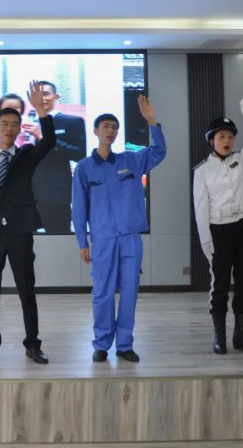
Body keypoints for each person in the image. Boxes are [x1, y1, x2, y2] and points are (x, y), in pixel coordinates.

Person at [71, 96, 166, 363]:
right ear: (95, 131)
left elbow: (159, 152)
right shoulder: (84, 168)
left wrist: (152, 122)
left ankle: (124, 345)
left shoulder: (131, 160)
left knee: (129, 292)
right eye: (105, 126)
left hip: (130, 238)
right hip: (103, 240)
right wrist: (82, 242)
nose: (110, 131)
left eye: (114, 127)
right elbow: (79, 208)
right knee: (102, 294)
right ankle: (101, 344)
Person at [0, 81, 56, 366]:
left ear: (20, 129)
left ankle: (33, 345)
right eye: (4, 124)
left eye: (14, 125)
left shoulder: (26, 155)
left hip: (19, 231)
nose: (9, 128)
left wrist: (41, 111)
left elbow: (49, 142)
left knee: (26, 290)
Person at [193, 99, 243, 355]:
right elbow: (200, 207)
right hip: (219, 230)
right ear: (211, 140)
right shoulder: (202, 171)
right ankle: (219, 336)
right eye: (221, 136)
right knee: (220, 283)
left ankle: (241, 336)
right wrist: (206, 239)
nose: (227, 141)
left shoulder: (241, 160)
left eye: (231, 137)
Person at [23, 81, 86, 233]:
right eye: (37, 95)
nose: (41, 99)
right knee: (27, 240)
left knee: (59, 236)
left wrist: (44, 137)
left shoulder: (72, 121)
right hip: (27, 193)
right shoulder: (25, 123)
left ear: (56, 97)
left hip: (55, 193)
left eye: (46, 94)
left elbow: (79, 153)